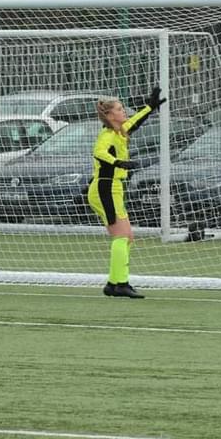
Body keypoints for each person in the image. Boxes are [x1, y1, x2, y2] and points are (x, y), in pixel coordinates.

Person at [88, 86, 166, 299]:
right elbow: (99, 152)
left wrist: (150, 107)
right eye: (120, 109)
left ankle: (114, 284)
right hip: (104, 188)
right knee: (121, 236)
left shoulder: (119, 132)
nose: (124, 112)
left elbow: (135, 122)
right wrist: (118, 162)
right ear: (110, 115)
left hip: (113, 187)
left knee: (127, 237)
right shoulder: (107, 135)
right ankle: (120, 284)